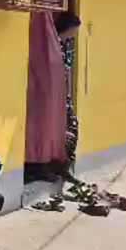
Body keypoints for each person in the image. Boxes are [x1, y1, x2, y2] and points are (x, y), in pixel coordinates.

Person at [54, 10, 81, 179]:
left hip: (65, 94)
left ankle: (65, 165)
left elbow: (68, 69)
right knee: (67, 128)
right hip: (55, 94)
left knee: (71, 128)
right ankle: (59, 166)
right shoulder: (54, 44)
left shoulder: (67, 44)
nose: (74, 34)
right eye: (74, 30)